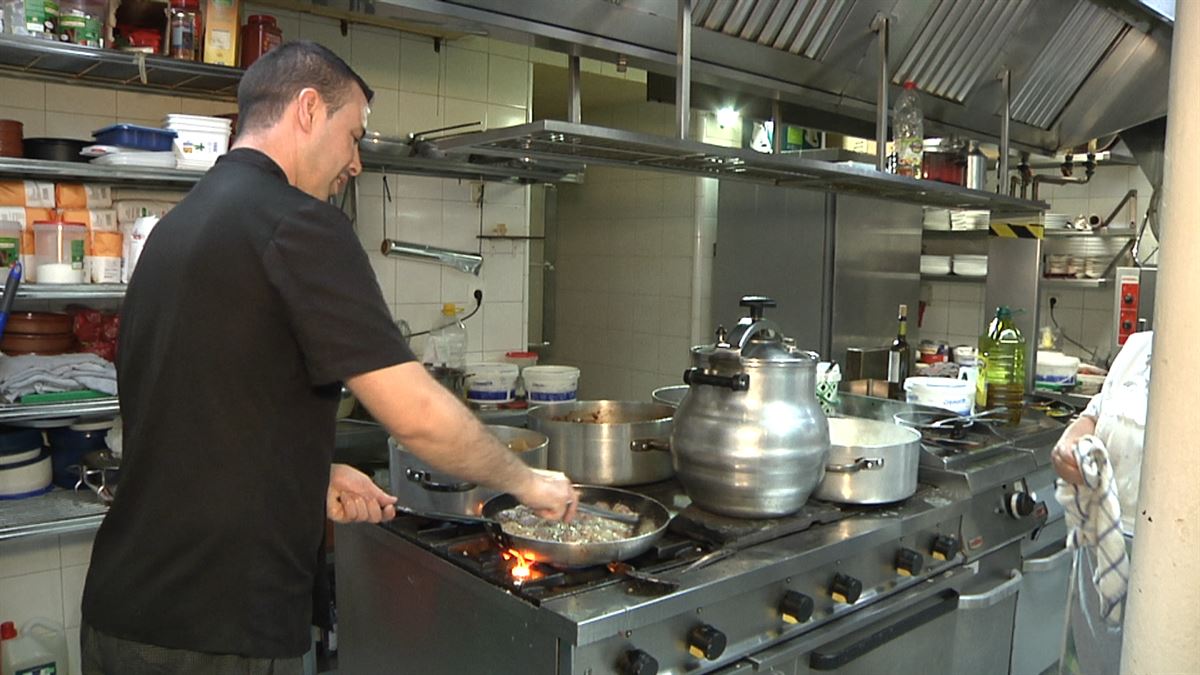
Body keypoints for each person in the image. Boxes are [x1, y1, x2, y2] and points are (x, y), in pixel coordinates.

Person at [79, 41, 577, 674]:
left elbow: (201, 413)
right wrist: (527, 482)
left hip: (124, 613)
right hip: (221, 632)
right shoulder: (300, 223)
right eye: (354, 135)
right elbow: (417, 416)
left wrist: (309, 479)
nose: (357, 163)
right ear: (308, 110)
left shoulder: (178, 229)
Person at [1050, 330, 1152, 675]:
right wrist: (1072, 443)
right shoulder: (1141, 347)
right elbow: (1094, 415)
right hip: (1100, 556)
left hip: (1166, 572)